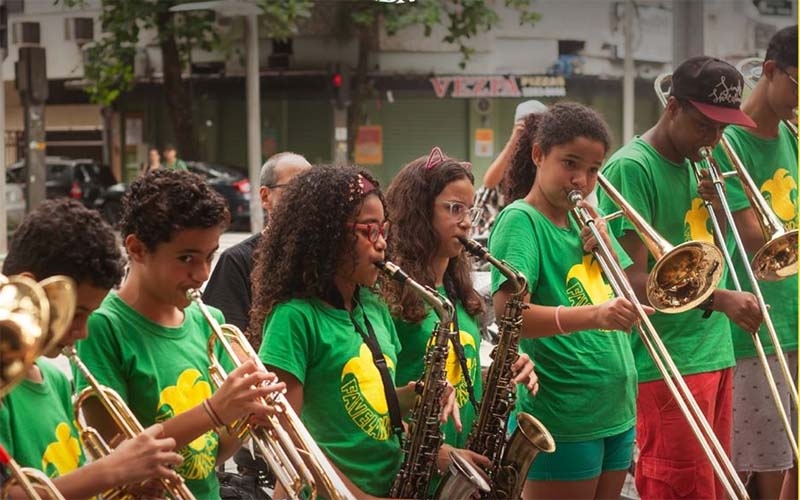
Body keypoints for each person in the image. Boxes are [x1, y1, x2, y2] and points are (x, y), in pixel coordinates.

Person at [598, 56, 763, 499]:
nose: (714, 139)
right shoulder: (632, 168)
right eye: (705, 126)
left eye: (723, 129)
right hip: (667, 362)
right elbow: (629, 279)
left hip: (712, 351)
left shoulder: (697, 160)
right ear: (672, 108)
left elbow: (702, 249)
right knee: (680, 486)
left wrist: (719, 210)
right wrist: (720, 300)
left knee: (713, 487)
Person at [250, 165, 468, 498]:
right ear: (328, 235)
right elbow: (288, 441)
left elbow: (359, 406)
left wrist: (414, 396)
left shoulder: (374, 308)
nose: (382, 244)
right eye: (368, 231)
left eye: (384, 229)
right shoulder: (294, 317)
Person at [74, 169, 285, 499]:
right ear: (137, 249)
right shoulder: (104, 325)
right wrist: (214, 410)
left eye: (210, 256)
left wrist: (243, 417)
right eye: (186, 258)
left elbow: (209, 455)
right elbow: (117, 458)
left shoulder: (207, 320)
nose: (202, 274)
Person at [490, 102, 645, 499]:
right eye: (570, 164)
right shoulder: (521, 221)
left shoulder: (587, 221)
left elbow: (621, 291)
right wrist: (596, 315)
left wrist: (607, 245)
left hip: (616, 409)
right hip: (564, 414)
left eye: (593, 170)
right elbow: (511, 314)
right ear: (538, 154)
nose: (582, 180)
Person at [0, 199, 184, 499]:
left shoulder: (57, 381)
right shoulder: (5, 389)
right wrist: (111, 471)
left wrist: (121, 486)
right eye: (76, 313)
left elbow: (64, 482)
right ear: (28, 290)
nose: (83, 331)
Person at [381, 147, 537, 469]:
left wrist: (500, 369)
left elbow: (458, 368)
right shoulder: (389, 295)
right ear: (419, 213)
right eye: (454, 209)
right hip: (416, 466)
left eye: (470, 211)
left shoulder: (457, 293)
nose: (466, 223)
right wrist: (435, 456)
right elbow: (376, 406)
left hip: (462, 460)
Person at [710, 25, 798, 500]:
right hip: (755, 331)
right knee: (750, 473)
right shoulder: (727, 142)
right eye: (797, 86)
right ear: (769, 71)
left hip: (796, 319)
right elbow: (751, 233)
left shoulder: (792, 135)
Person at [203, 152, 311, 334]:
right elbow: (228, 340)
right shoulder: (238, 261)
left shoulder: (330, 256)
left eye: (313, 189)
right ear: (265, 196)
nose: (307, 199)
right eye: (295, 189)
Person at [483, 100, 548, 190]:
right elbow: (489, 183)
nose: (530, 130)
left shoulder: (549, 152)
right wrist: (514, 140)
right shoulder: (510, 154)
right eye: (527, 123)